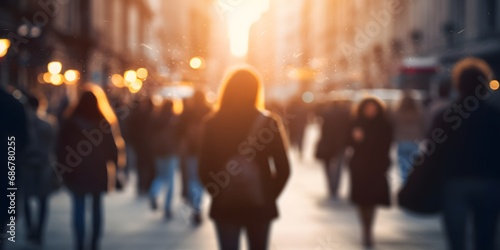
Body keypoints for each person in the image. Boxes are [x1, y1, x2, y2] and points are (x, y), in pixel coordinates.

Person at [198, 67, 290, 250]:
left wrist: (218, 191)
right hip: (260, 206)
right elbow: (284, 169)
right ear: (257, 90)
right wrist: (268, 195)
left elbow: (203, 168)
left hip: (225, 205)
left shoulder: (212, 123)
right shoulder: (269, 122)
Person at [424, 58, 500, 250]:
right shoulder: (494, 114)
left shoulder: (446, 115)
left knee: (456, 239)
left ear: (458, 84)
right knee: (486, 237)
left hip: (454, 181)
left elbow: (433, 149)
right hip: (489, 181)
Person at [57, 84, 126, 250]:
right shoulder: (103, 123)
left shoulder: (70, 122)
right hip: (98, 171)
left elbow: (60, 147)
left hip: (76, 170)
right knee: (96, 207)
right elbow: (113, 149)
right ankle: (94, 243)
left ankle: (79, 243)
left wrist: (62, 168)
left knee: (78, 207)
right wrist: (116, 169)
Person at [347, 97, 393, 249]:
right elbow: (347, 142)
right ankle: (365, 228)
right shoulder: (356, 123)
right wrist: (355, 139)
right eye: (367, 108)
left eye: (373, 108)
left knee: (373, 199)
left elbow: (388, 143)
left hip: (377, 167)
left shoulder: (384, 124)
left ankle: (368, 230)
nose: (370, 111)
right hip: (359, 167)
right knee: (361, 200)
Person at [19, 94, 57, 245]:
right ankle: (39, 232)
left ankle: (30, 229)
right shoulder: (47, 124)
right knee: (43, 200)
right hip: (43, 166)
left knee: (26, 198)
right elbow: (52, 145)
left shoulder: (23, 124)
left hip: (27, 165)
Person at [178, 90, 212, 225]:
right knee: (201, 180)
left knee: (192, 178)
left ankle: (195, 207)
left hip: (190, 150)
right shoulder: (208, 110)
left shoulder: (187, 111)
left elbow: (178, 130)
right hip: (205, 151)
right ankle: (197, 206)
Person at [315, 99, 351, 199]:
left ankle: (331, 185)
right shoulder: (346, 114)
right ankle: (335, 187)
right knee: (338, 167)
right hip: (341, 144)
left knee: (328, 166)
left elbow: (323, 129)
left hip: (327, 143)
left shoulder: (326, 113)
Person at [149, 100, 179, 219]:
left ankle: (153, 192)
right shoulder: (174, 119)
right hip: (171, 152)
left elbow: (149, 135)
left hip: (159, 152)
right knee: (170, 180)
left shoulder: (156, 118)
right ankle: (167, 207)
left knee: (160, 176)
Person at [393, 91, 423, 182]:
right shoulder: (418, 112)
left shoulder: (397, 112)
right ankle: (412, 184)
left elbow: (393, 125)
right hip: (414, 141)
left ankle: (405, 184)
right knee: (413, 166)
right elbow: (423, 125)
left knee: (403, 167)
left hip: (401, 141)